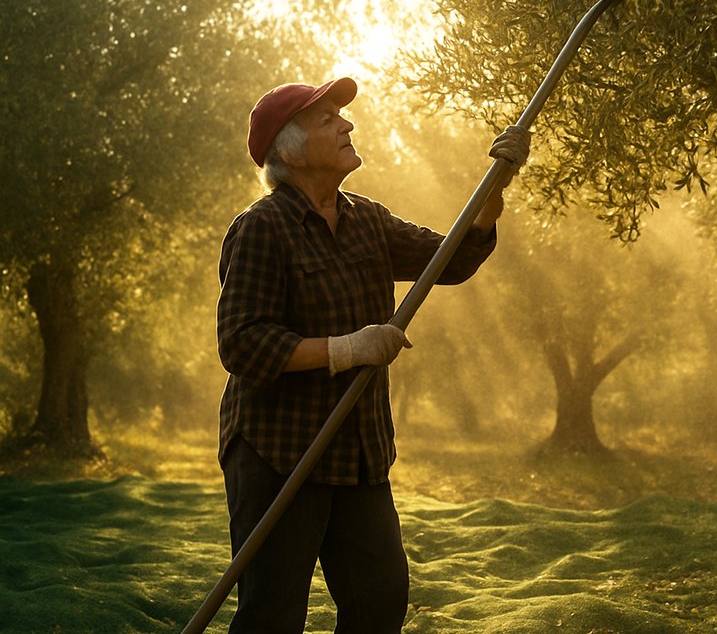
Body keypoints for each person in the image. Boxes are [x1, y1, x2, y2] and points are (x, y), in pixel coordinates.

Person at [216, 77, 529, 633]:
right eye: (327, 118)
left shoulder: (367, 219)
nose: (347, 123)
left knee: (379, 603)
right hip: (278, 452)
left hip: (357, 449)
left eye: (344, 114)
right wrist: (346, 349)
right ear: (289, 150)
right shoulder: (261, 228)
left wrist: (494, 190)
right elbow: (241, 343)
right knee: (272, 615)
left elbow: (450, 260)